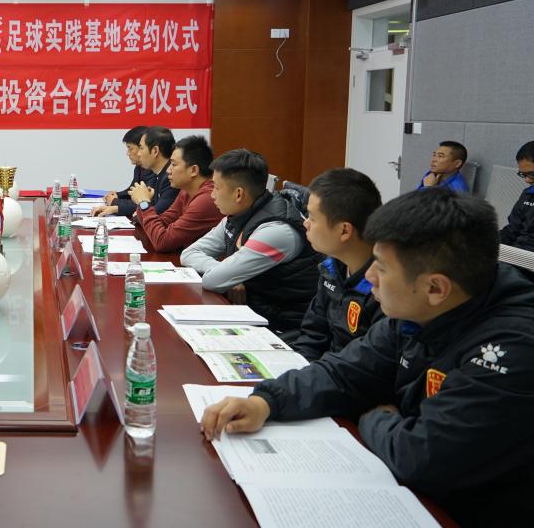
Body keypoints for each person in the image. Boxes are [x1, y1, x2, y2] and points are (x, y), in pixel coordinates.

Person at [201, 189, 534, 527]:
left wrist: (373, 417)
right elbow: (343, 371)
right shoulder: (418, 310)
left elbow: (420, 457)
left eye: (383, 269)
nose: (370, 277)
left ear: (435, 288)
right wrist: (267, 402)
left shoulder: (512, 346)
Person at [180, 149, 320, 336]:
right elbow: (189, 254)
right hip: (257, 314)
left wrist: (226, 275)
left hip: (287, 329)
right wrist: (228, 274)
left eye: (216, 188)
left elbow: (213, 280)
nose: (212, 195)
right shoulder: (238, 214)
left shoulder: (276, 231)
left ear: (238, 194)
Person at [293, 168, 383, 361]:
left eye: (312, 218)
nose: (306, 224)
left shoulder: (383, 288)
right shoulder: (332, 268)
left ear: (344, 231)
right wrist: (297, 366)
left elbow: (368, 364)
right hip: (323, 370)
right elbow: (313, 334)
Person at [132, 135, 222, 253]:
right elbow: (162, 221)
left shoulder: (207, 199)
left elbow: (162, 242)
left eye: (173, 165)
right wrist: (143, 204)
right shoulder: (186, 191)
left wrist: (144, 203)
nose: (168, 170)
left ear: (193, 170)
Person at [93, 126, 178, 218]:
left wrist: (140, 205)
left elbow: (152, 215)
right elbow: (148, 207)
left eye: (141, 148)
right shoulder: (160, 176)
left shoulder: (170, 179)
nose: (139, 154)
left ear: (155, 151)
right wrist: (116, 207)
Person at [103, 126, 151, 209]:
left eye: (130, 148)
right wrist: (116, 195)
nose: (127, 153)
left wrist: (115, 202)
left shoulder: (153, 170)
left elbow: (145, 205)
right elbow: (132, 192)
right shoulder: (139, 167)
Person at [500, 140, 534, 252]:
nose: (527, 180)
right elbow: (512, 231)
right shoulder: (528, 194)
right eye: (523, 174)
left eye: (532, 174)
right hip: (516, 253)